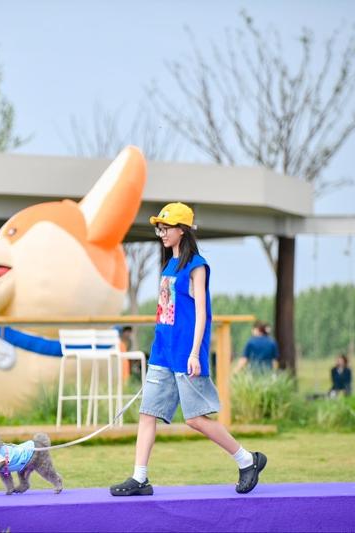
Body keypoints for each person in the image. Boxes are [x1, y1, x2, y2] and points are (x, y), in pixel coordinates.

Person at [110, 202, 268, 497]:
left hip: (185, 353)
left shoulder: (197, 266)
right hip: (162, 352)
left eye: (166, 228)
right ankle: (140, 478)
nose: (161, 233)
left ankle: (247, 460)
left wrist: (195, 353)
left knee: (195, 419)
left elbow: (201, 314)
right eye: (159, 229)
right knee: (147, 413)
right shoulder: (169, 266)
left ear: (182, 230)